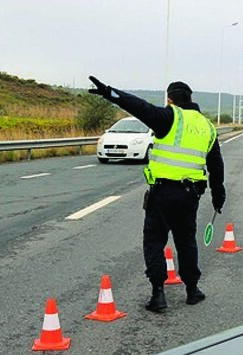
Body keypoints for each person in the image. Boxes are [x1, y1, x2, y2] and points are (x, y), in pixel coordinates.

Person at [88, 76, 225, 312]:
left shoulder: (170, 116)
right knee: (186, 242)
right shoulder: (207, 127)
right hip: (190, 195)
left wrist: (110, 93)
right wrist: (218, 195)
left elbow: (139, 107)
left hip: (162, 193)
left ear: (170, 100)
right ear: (191, 99)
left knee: (154, 241)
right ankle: (192, 290)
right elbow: (216, 165)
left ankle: (158, 294)